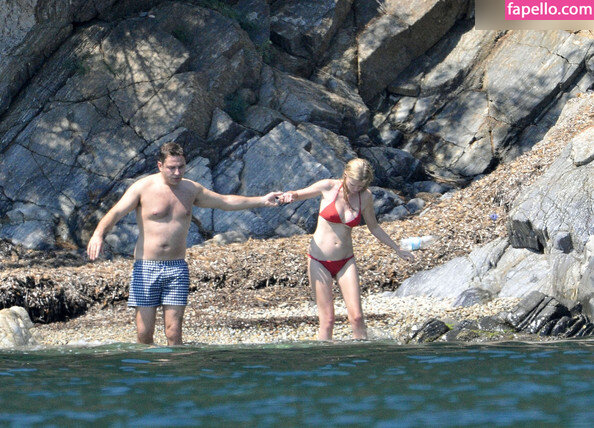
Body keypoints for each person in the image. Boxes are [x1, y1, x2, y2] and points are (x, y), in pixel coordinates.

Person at [87, 142, 281, 346]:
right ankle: (149, 367)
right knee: (144, 334)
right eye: (172, 168)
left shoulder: (191, 189)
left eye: (181, 167)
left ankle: (173, 367)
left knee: (173, 333)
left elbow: (224, 201)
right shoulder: (142, 188)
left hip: (176, 268)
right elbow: (116, 212)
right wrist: (98, 234)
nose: (177, 172)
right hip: (146, 267)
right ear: (160, 165)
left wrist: (262, 200)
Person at [279, 158, 414, 340]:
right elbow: (298, 194)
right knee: (327, 320)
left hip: (346, 261)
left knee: (357, 318)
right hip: (319, 260)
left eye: (360, 186)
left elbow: (374, 227)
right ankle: (325, 356)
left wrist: (397, 249)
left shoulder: (365, 196)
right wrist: (288, 196)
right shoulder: (328, 187)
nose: (355, 189)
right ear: (345, 175)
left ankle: (362, 355)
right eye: (353, 184)